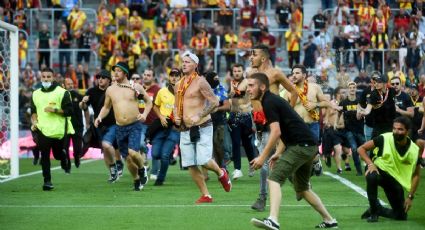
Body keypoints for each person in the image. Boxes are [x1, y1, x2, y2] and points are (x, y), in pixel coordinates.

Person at [248, 72, 338, 229]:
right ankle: (329, 220)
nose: (248, 89)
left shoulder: (269, 102)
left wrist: (262, 157)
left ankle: (273, 220)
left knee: (274, 178)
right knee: (302, 188)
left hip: (302, 146)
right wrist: (278, 153)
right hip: (308, 146)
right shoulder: (270, 101)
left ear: (262, 87)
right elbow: (285, 129)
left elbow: (276, 132)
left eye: (251, 85)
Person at [174, 51, 231, 203]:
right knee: (190, 164)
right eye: (183, 61)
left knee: (204, 160)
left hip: (203, 125)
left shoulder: (201, 82)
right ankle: (206, 195)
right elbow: (176, 105)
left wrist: (199, 115)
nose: (184, 64)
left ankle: (221, 172)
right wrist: (176, 118)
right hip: (185, 128)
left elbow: (214, 102)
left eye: (187, 62)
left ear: (195, 65)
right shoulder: (178, 84)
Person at [248, 44, 298, 211]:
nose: (250, 57)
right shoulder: (251, 75)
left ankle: (300, 187)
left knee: (273, 160)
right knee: (268, 162)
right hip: (260, 125)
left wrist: (287, 115)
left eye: (253, 55)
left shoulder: (275, 73)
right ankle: (264, 197)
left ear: (263, 58)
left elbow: (294, 92)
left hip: (276, 123)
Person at [95, 62, 152, 191]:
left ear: (125, 73)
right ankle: (137, 180)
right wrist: (99, 117)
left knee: (133, 152)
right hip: (120, 128)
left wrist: (144, 115)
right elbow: (106, 107)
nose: (115, 73)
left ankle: (142, 168)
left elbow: (149, 102)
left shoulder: (135, 87)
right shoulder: (110, 89)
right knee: (127, 158)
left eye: (119, 71)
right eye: (114, 70)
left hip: (134, 125)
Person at [357, 116, 422, 222]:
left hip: (394, 179)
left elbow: (416, 175)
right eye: (394, 128)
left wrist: (410, 197)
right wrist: (370, 164)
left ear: (407, 131)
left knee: (401, 216)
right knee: (372, 176)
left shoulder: (414, 150)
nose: (396, 132)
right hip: (379, 170)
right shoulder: (385, 138)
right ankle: (374, 211)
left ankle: (379, 209)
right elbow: (361, 149)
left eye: (400, 129)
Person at [31, 67, 74, 190]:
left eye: (48, 77)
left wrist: (54, 110)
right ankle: (47, 181)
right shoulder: (35, 93)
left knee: (57, 155)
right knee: (44, 155)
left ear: (53, 77)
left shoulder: (63, 92)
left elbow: (69, 111)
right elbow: (33, 111)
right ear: (40, 78)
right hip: (42, 129)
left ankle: (63, 156)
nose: (46, 79)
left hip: (58, 131)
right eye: (44, 77)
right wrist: (34, 121)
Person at [80, 70, 124, 183]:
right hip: (100, 126)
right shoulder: (91, 91)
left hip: (115, 124)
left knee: (114, 146)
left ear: (109, 80)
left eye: (103, 77)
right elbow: (83, 107)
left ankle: (118, 163)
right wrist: (83, 102)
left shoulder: (114, 91)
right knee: (105, 149)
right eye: (98, 77)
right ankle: (112, 171)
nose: (100, 79)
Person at [150, 68, 181, 186]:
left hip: (174, 129)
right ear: (169, 77)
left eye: (176, 75)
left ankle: (160, 179)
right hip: (161, 127)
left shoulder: (184, 93)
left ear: (180, 77)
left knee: (164, 155)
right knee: (155, 154)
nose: (174, 77)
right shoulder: (162, 91)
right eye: (172, 75)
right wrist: (161, 117)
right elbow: (155, 106)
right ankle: (169, 154)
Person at [228, 64, 256, 180]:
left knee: (247, 143)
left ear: (242, 72)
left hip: (245, 116)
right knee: (235, 142)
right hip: (234, 116)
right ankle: (237, 169)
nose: (237, 73)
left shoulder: (246, 82)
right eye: (235, 71)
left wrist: (226, 95)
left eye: (239, 71)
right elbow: (231, 98)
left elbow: (237, 93)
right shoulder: (232, 83)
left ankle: (252, 164)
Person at [64, 77, 87, 169]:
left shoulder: (78, 95)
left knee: (77, 148)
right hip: (65, 126)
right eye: (68, 84)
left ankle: (77, 157)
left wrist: (84, 103)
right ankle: (68, 163)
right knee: (64, 148)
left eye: (71, 83)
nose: (71, 85)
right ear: (64, 86)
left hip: (77, 126)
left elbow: (85, 108)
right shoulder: (61, 97)